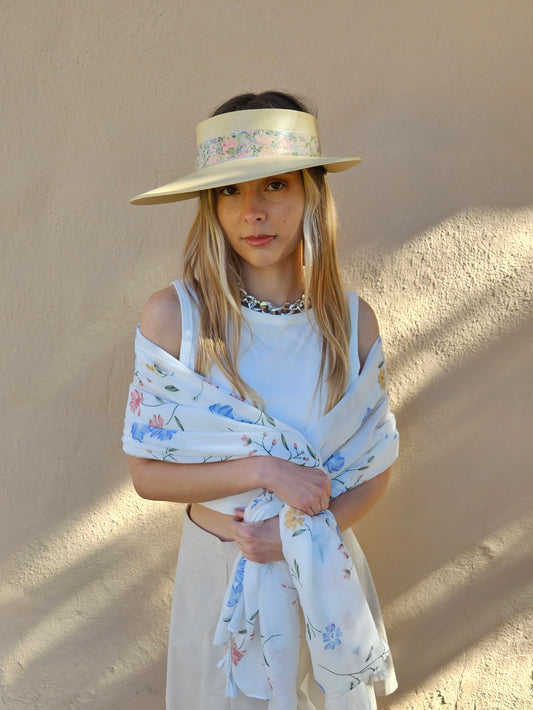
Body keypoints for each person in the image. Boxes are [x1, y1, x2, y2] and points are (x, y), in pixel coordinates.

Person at [123, 91, 399, 710]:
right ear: (210, 206)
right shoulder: (179, 319)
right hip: (220, 572)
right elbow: (146, 474)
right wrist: (264, 471)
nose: (252, 211)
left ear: (311, 194)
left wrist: (293, 536)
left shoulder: (352, 324)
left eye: (274, 184)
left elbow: (375, 469)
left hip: (326, 572)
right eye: (229, 191)